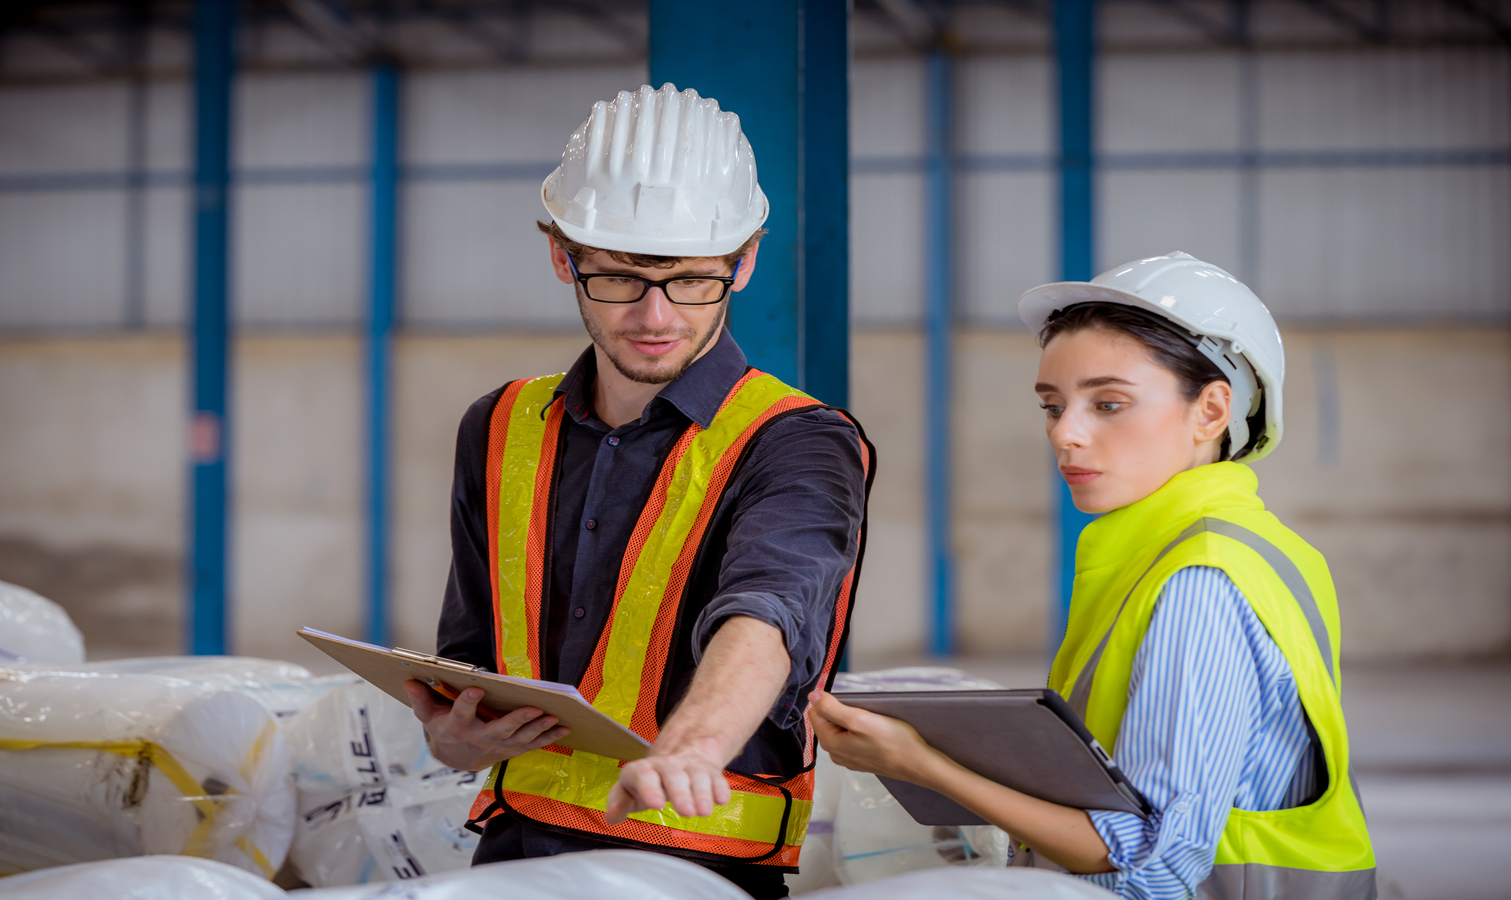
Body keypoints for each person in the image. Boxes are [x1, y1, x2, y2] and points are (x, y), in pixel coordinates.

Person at [403, 83, 873, 900]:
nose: (655, 315)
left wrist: (691, 748)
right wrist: (455, 733)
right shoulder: (501, 424)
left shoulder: (798, 440)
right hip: (513, 855)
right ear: (562, 256)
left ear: (745, 260)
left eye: (692, 281)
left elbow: (769, 614)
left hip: (695, 866)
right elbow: (476, 652)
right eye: (619, 279)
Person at [808, 252, 1376, 899]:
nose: (1066, 434)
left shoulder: (1201, 581)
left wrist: (923, 766)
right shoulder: (1236, 545)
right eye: (1053, 405)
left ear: (1212, 411)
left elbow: (1153, 869)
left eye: (1108, 404)